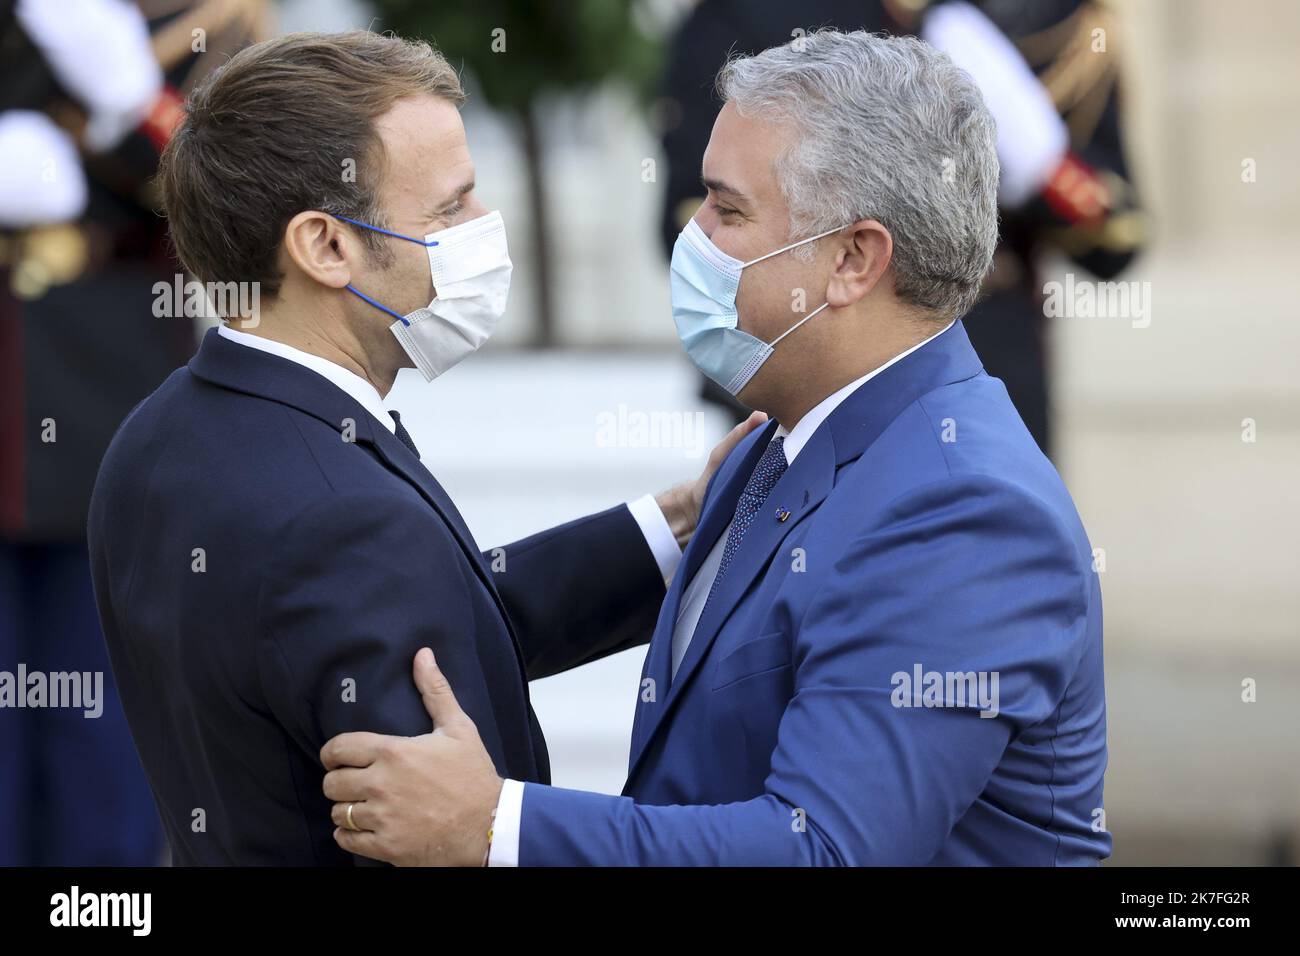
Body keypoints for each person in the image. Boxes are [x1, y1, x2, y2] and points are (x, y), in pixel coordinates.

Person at [321, 29, 1111, 866]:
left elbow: (823, 850)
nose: (691, 235)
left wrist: (494, 827)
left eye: (727, 208)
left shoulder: (958, 510)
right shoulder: (783, 440)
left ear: (853, 259)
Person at [87, 30, 748, 866]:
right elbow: (441, 836)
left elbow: (426, 613)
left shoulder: (159, 436)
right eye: (449, 208)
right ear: (326, 246)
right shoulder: (347, 517)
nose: (484, 229)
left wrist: (675, 524)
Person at [0, 0, 265, 865]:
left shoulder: (198, 17)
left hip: (99, 393)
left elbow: (232, 199)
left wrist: (122, 109)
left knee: (99, 721)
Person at [655, 0, 1144, 457]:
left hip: (989, 359)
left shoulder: (1046, 15)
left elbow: (1116, 238)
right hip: (798, 370)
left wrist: (1044, 169)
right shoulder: (748, 12)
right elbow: (697, 216)